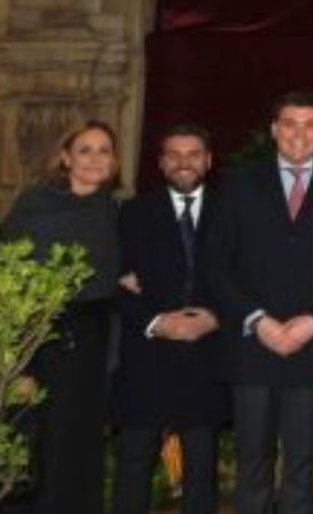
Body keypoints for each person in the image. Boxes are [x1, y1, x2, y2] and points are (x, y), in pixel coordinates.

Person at [202, 91, 313, 514]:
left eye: (310, 125)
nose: (300, 134)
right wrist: (258, 320)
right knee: (252, 466)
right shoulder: (239, 181)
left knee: (303, 466)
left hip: (312, 344)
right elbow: (216, 263)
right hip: (252, 344)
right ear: (275, 130)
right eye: (291, 124)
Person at [2, 120, 121, 514]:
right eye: (85, 150)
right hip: (41, 334)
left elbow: (109, 264)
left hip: (94, 337)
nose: (94, 159)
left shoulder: (112, 209)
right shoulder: (35, 205)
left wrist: (125, 275)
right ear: (65, 158)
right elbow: (9, 271)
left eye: (104, 150)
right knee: (39, 435)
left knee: (82, 437)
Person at [111, 124, 227, 514]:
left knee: (200, 470)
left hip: (206, 356)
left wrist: (215, 317)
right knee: (134, 465)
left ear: (208, 161)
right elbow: (114, 282)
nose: (184, 163)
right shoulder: (133, 213)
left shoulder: (232, 212)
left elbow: (249, 280)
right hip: (147, 355)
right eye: (174, 155)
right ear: (161, 164)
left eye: (193, 154)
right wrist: (157, 321)